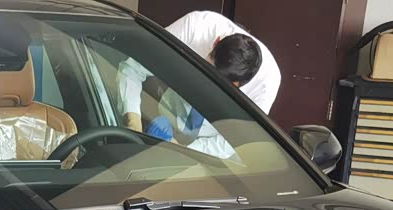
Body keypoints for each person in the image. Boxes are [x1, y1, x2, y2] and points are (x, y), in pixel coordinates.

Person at [117, 10, 280, 159]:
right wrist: (133, 122)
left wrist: (185, 153)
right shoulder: (195, 29)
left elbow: (238, 139)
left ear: (241, 85)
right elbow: (133, 68)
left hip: (210, 151)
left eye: (221, 88)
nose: (209, 88)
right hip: (167, 121)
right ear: (216, 42)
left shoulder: (265, 84)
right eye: (207, 72)